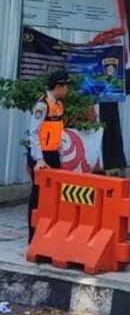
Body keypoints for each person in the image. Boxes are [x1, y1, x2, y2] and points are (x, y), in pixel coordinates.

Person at [27, 70, 70, 244]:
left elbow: (57, 131)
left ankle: (49, 232)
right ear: (58, 87)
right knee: (38, 196)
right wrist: (38, 159)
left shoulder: (58, 105)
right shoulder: (42, 105)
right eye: (65, 86)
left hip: (53, 155)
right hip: (41, 157)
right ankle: (34, 235)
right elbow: (34, 132)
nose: (67, 90)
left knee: (54, 195)